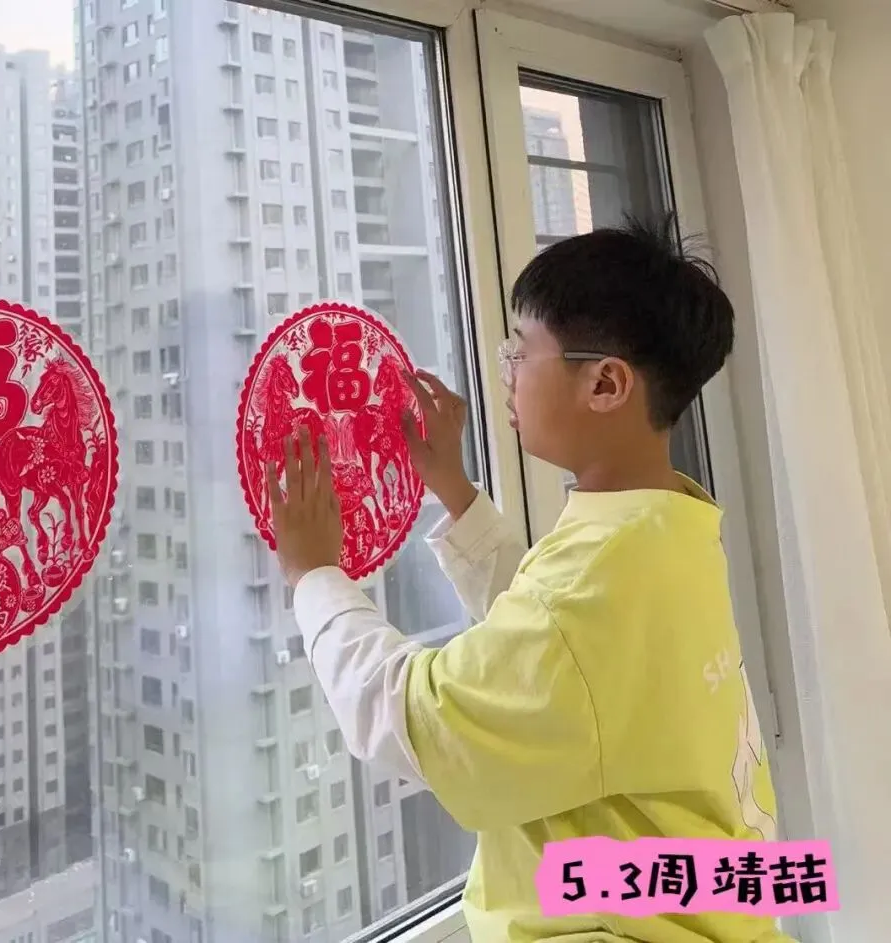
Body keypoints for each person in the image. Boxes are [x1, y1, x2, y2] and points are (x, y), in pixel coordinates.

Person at [265, 216, 790, 943]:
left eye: (521, 349)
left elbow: (419, 721)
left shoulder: (595, 580)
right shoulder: (668, 526)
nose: (506, 369)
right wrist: (456, 493)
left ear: (605, 383)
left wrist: (314, 572)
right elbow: (568, 657)